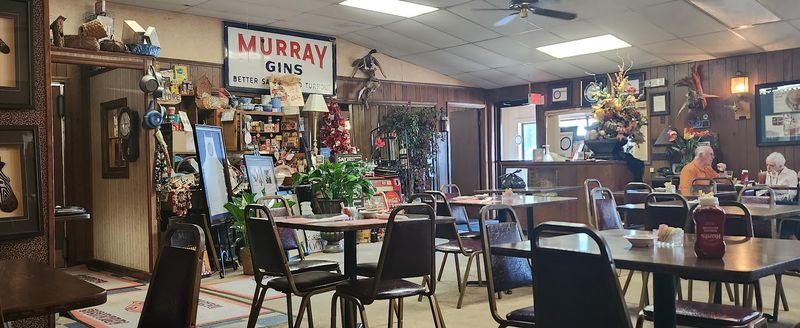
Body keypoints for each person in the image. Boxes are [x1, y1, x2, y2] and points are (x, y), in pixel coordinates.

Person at [764, 152, 800, 239]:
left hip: (789, 203)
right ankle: (789, 237)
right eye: (767, 165)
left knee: (775, 208)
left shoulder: (791, 174)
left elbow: (791, 195)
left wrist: (774, 198)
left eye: (771, 165)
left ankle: (786, 236)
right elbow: (767, 189)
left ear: (780, 166)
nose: (768, 168)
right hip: (773, 202)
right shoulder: (769, 173)